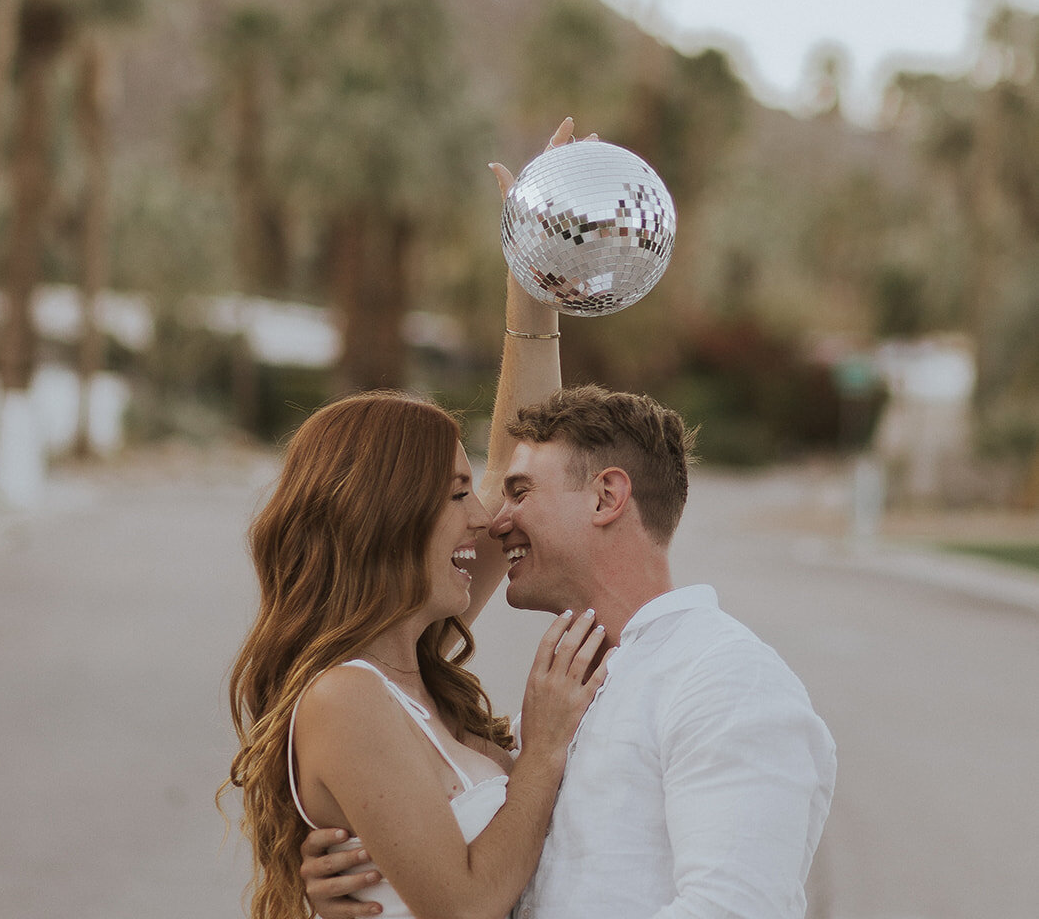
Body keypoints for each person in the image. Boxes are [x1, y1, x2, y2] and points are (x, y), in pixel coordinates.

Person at [300, 134, 837, 919]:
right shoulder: (555, 708)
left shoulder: (721, 683)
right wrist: (379, 868)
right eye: (481, 493)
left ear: (606, 497)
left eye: (518, 489)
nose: (491, 516)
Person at [224, 120, 608, 919]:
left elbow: (518, 463)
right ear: (386, 518)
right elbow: (465, 908)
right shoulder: (346, 698)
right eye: (454, 494)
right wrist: (539, 754)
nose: (487, 518)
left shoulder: (404, 672)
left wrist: (531, 289)